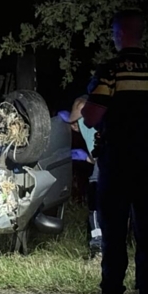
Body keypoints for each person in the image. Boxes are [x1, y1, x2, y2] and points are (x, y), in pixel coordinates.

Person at [80, 8, 148, 294]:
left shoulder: (111, 72)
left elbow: (91, 117)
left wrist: (92, 99)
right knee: (147, 236)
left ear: (119, 34)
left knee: (114, 238)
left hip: (117, 163)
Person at [59, 95, 103, 258]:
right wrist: (85, 157)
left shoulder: (88, 114)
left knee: (96, 205)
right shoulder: (90, 129)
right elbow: (95, 156)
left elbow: (81, 103)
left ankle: (98, 247)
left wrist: (71, 118)